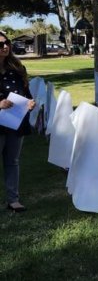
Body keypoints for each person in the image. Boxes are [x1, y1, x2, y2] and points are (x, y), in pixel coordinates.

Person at [0, 31, 36, 212]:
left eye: (7, 43)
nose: (5, 47)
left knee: (12, 161)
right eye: (0, 44)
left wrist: (30, 103)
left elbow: (26, 94)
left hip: (15, 122)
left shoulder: (18, 68)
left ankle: (13, 199)